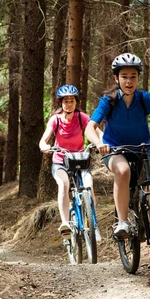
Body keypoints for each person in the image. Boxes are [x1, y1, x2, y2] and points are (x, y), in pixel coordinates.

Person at [84, 53, 150, 237]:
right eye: (124, 76)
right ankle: (122, 223)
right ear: (116, 78)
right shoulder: (108, 100)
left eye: (133, 76)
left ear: (138, 78)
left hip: (142, 149)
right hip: (114, 149)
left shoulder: (143, 98)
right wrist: (99, 143)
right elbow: (89, 128)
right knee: (123, 171)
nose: (129, 81)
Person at [39, 85, 100, 240]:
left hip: (80, 160)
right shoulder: (55, 120)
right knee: (64, 184)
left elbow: (96, 131)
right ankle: (65, 223)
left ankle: (93, 225)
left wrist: (104, 141)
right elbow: (44, 139)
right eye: (65, 101)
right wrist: (45, 146)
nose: (68, 104)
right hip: (60, 161)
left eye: (71, 101)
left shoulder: (82, 117)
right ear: (61, 103)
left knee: (89, 186)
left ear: (76, 102)